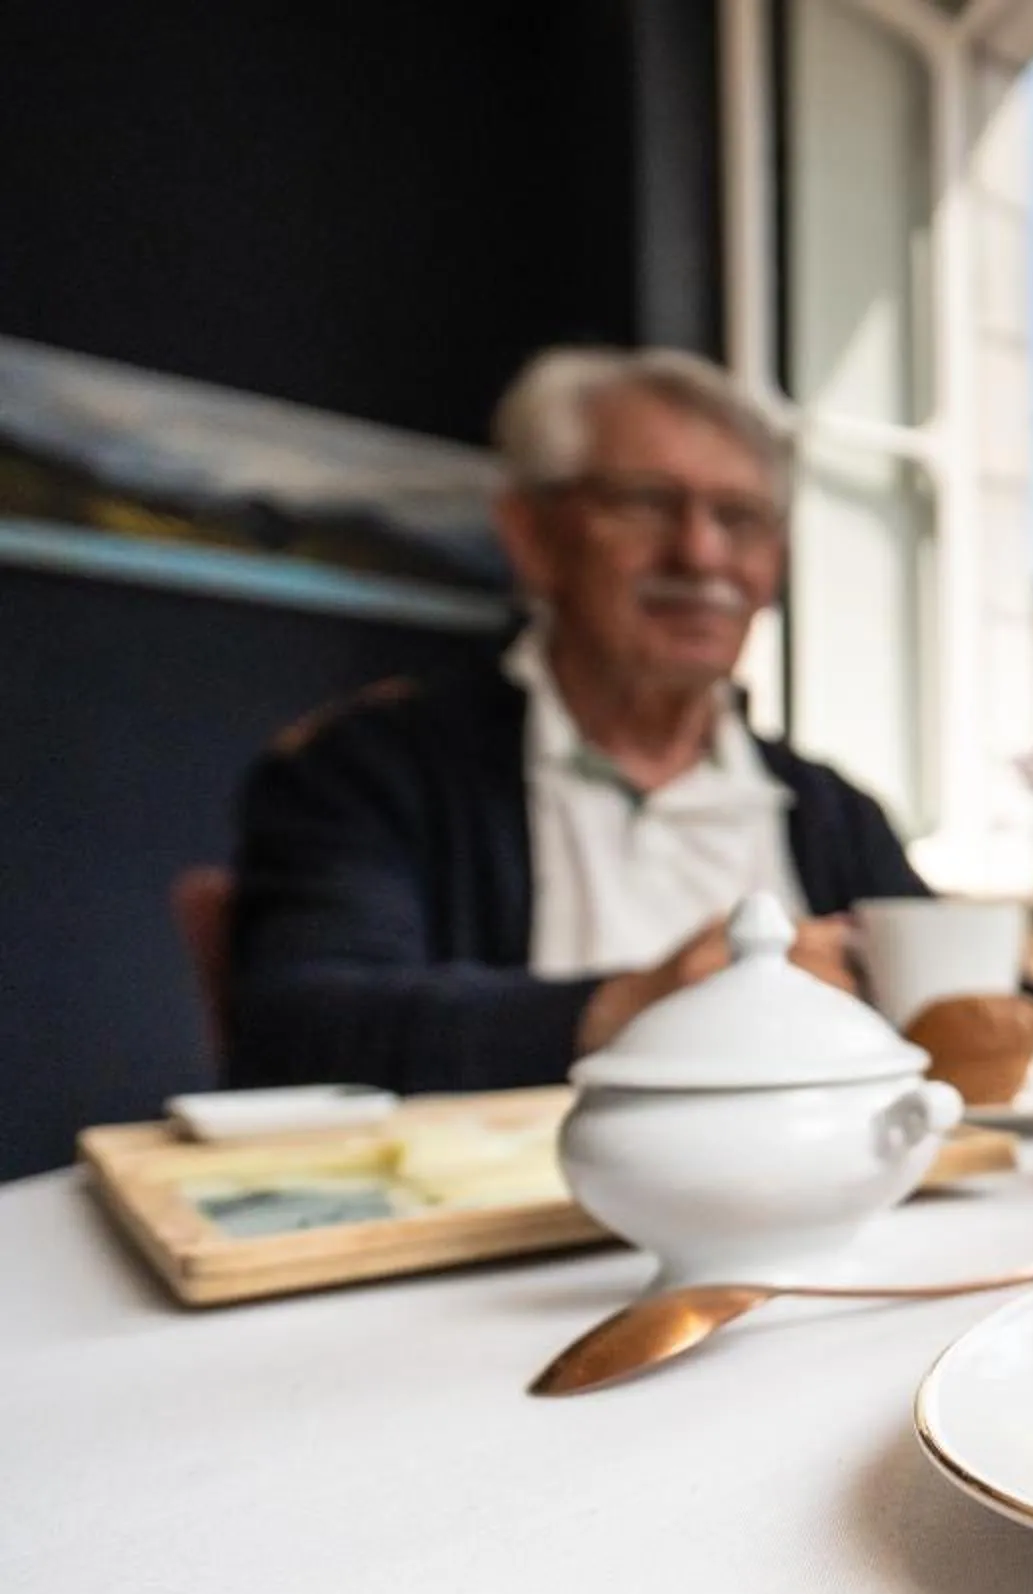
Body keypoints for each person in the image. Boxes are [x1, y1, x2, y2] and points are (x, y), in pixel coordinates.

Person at [224, 348, 927, 1091]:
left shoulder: (832, 810)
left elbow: (965, 996)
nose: (701, 552)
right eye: (647, 502)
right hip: (503, 1200)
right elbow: (299, 1026)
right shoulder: (368, 771)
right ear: (532, 536)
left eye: (741, 517)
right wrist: (644, 1007)